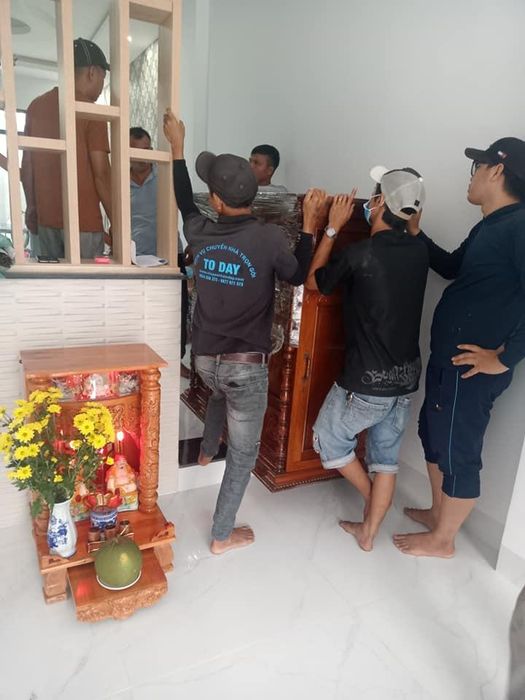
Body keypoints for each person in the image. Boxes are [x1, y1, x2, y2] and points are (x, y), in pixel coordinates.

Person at [163, 108, 317, 555]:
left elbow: (183, 201)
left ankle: (206, 452)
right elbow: (297, 274)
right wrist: (310, 226)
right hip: (245, 367)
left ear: (216, 201)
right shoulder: (268, 239)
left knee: (217, 391)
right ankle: (221, 534)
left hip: (204, 360)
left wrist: (177, 148)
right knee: (245, 453)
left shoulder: (200, 231)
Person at [394, 138, 525, 558]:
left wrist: (504, 358)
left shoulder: (520, 226)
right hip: (448, 359)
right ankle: (438, 515)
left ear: (497, 171)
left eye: (477, 167)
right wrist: (416, 233)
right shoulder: (489, 225)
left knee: (457, 448)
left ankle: (443, 540)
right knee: (433, 434)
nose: (472, 177)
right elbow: (451, 266)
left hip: (471, 370)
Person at [305, 167, 429, 551]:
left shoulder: (360, 253)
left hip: (365, 382)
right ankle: (369, 532)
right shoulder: (420, 251)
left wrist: (331, 228)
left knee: (328, 440)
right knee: (385, 458)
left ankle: (372, 496)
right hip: (406, 379)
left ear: (378, 203)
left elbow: (313, 282)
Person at [21, 38, 111, 260]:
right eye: (103, 77)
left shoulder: (35, 107)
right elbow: (101, 174)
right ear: (92, 72)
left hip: (45, 221)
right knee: (86, 283)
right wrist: (117, 222)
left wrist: (32, 209)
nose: (102, 84)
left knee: (53, 282)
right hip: (84, 222)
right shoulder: (90, 111)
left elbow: (28, 167)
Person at [129, 126, 189, 374]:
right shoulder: (119, 180)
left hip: (170, 254)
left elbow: (186, 205)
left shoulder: (165, 174)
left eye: (146, 149)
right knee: (140, 309)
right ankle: (140, 360)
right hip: (136, 257)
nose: (142, 156)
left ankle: (176, 360)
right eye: (136, 150)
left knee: (176, 309)